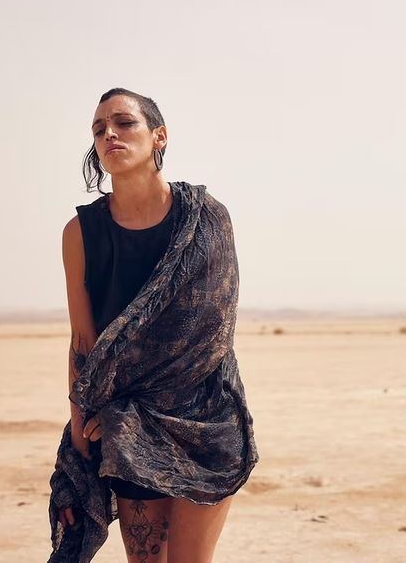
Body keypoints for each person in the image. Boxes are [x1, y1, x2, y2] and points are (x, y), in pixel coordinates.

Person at [48, 88, 258, 562]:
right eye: (99, 129)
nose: (110, 135)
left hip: (205, 420)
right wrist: (81, 420)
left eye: (124, 123)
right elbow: (84, 340)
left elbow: (214, 330)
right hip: (125, 426)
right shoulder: (80, 233)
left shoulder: (206, 219)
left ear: (158, 135)